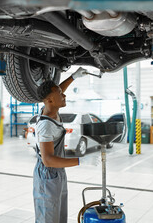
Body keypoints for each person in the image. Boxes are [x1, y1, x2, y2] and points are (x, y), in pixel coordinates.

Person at [33, 67, 100, 223]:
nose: (64, 95)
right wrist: (80, 161)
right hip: (47, 174)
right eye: (60, 94)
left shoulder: (51, 107)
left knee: (60, 215)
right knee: (48, 218)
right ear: (50, 100)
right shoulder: (45, 125)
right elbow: (48, 159)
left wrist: (73, 77)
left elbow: (55, 91)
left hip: (57, 173)